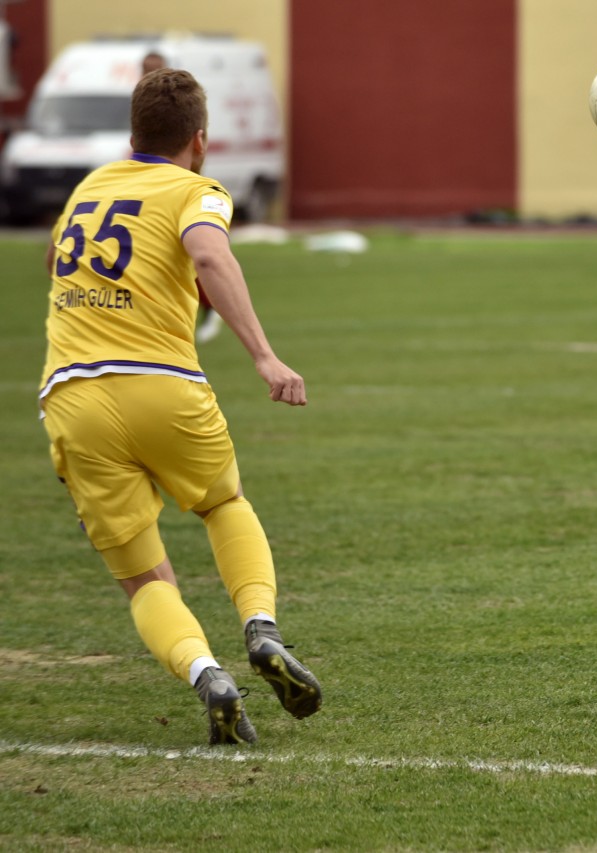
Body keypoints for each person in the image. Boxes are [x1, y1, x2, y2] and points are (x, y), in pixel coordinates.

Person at [39, 68, 321, 744]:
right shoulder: (198, 190)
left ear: (132, 132)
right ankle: (260, 629)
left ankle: (207, 676)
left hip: (72, 395)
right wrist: (263, 354)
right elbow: (208, 254)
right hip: (162, 386)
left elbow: (56, 259)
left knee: (143, 577)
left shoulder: (91, 187)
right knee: (223, 505)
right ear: (200, 139)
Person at [141, 50, 224, 342]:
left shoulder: (176, 103)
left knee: (197, 252)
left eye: (153, 67)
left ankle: (211, 306)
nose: (148, 71)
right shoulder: (141, 102)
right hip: (146, 188)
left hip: (172, 187)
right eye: (145, 67)